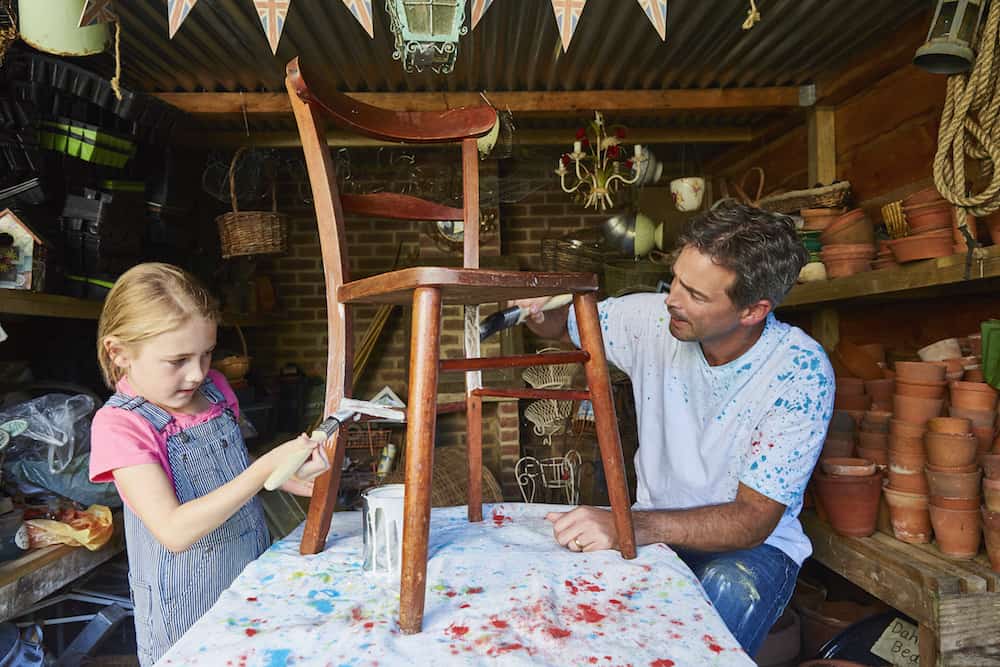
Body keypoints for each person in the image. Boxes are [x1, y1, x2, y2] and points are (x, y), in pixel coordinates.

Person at [517, 200, 833, 655]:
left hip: (750, 552)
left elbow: (750, 523)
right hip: (654, 529)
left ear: (753, 310)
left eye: (696, 295)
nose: (672, 299)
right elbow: (564, 325)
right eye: (677, 280)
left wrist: (625, 525)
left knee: (716, 604)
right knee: (579, 620)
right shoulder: (652, 319)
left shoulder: (799, 372)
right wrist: (536, 308)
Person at [89, 263, 329, 666]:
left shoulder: (216, 390)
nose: (198, 373)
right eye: (178, 360)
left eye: (207, 353)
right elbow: (174, 530)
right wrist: (262, 470)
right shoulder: (121, 425)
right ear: (120, 354)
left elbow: (229, 463)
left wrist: (283, 476)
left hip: (251, 578)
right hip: (186, 609)